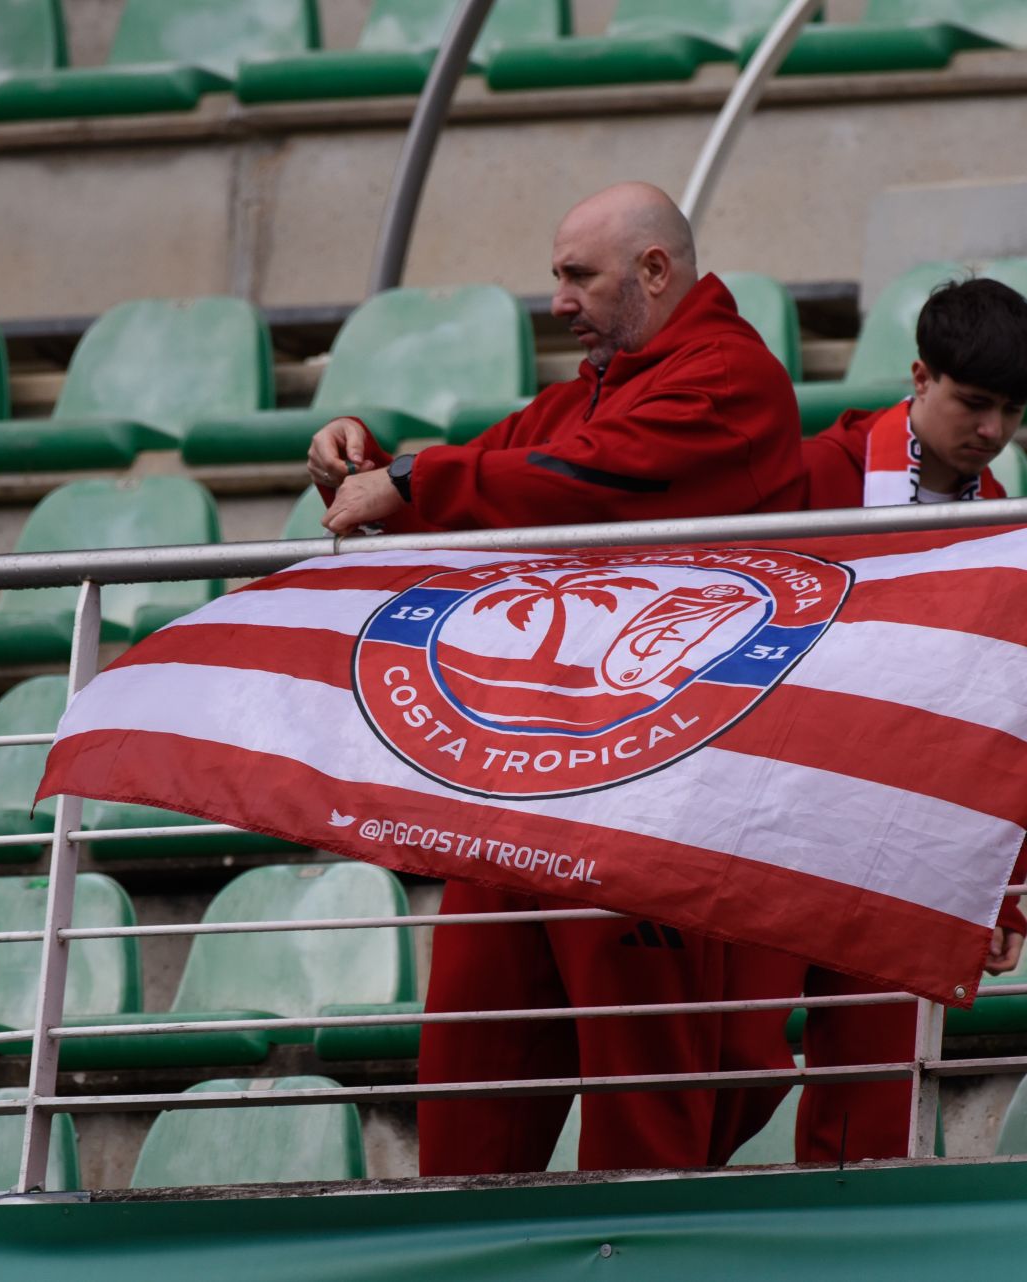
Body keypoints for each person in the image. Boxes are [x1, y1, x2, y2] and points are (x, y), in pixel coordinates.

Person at [306, 181, 806, 1174]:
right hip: (526, 782)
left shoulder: (730, 379)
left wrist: (410, 481)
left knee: (645, 1113)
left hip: (650, 789)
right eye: (556, 277)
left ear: (654, 271)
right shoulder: (598, 390)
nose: (557, 300)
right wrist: (371, 459)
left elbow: (587, 476)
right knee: (469, 1088)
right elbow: (498, 463)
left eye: (577, 276)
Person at [715, 276, 1027, 1166]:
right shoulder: (815, 477)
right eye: (973, 404)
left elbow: (1000, 705)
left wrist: (1001, 876)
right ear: (918, 377)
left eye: (1012, 411)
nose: (991, 431)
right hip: (771, 815)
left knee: (870, 1094)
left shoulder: (1011, 513)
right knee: (735, 1064)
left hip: (899, 827)